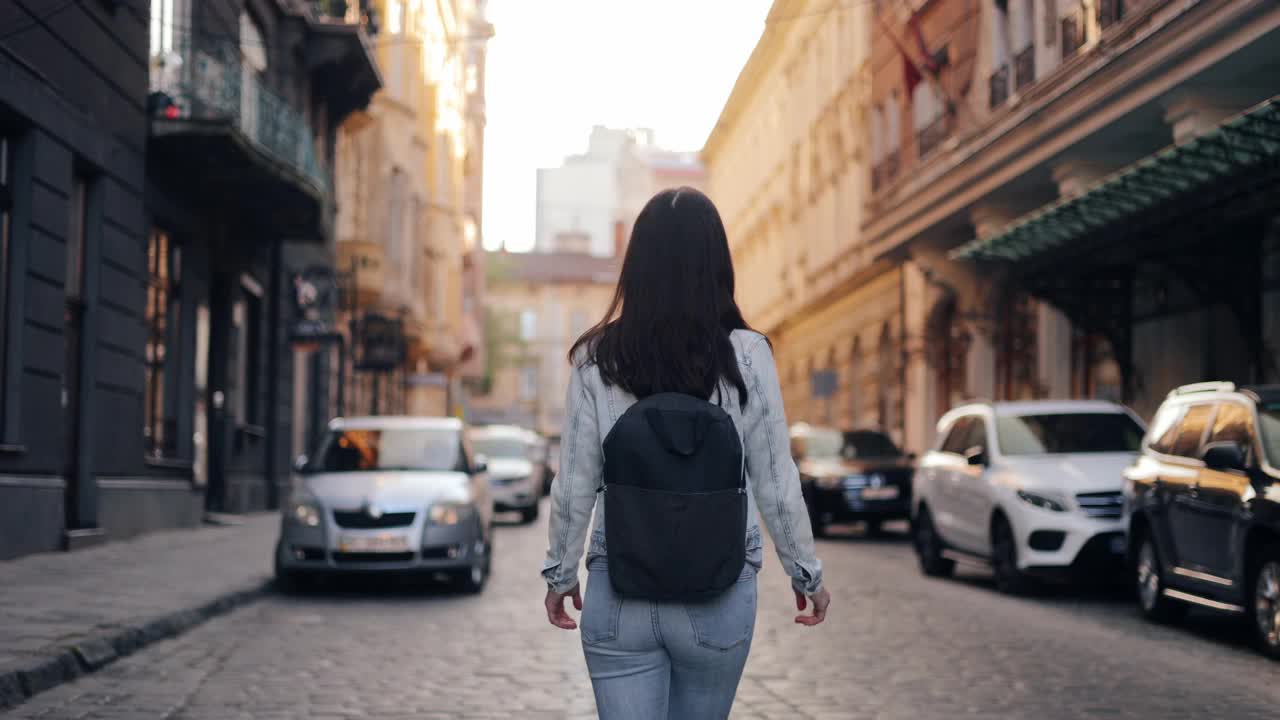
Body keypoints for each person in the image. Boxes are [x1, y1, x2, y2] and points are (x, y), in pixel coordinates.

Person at [540, 187, 830, 719]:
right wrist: (804, 572)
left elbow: (575, 482)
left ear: (637, 267)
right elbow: (775, 478)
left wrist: (561, 575)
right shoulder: (747, 354)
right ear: (717, 263)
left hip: (620, 587)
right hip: (717, 591)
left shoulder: (595, 358)